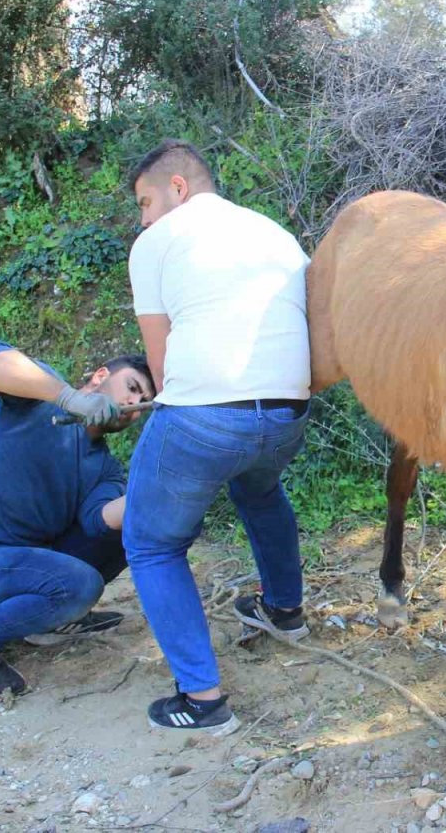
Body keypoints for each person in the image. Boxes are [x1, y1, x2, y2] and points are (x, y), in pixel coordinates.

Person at [124, 140, 312, 736]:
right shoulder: (276, 234)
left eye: (146, 201)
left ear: (178, 187)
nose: (144, 217)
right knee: (258, 492)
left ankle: (202, 700)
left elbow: (161, 365)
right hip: (288, 414)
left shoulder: (156, 242)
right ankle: (284, 611)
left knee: (151, 542)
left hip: (204, 416)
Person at [0, 342, 154, 697]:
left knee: (133, 527)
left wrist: (161, 488)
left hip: (27, 568)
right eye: (131, 387)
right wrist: (68, 398)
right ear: (100, 376)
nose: (132, 404)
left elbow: (100, 524)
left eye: (142, 401)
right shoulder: (40, 393)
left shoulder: (105, 467)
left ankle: (54, 619)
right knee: (78, 585)